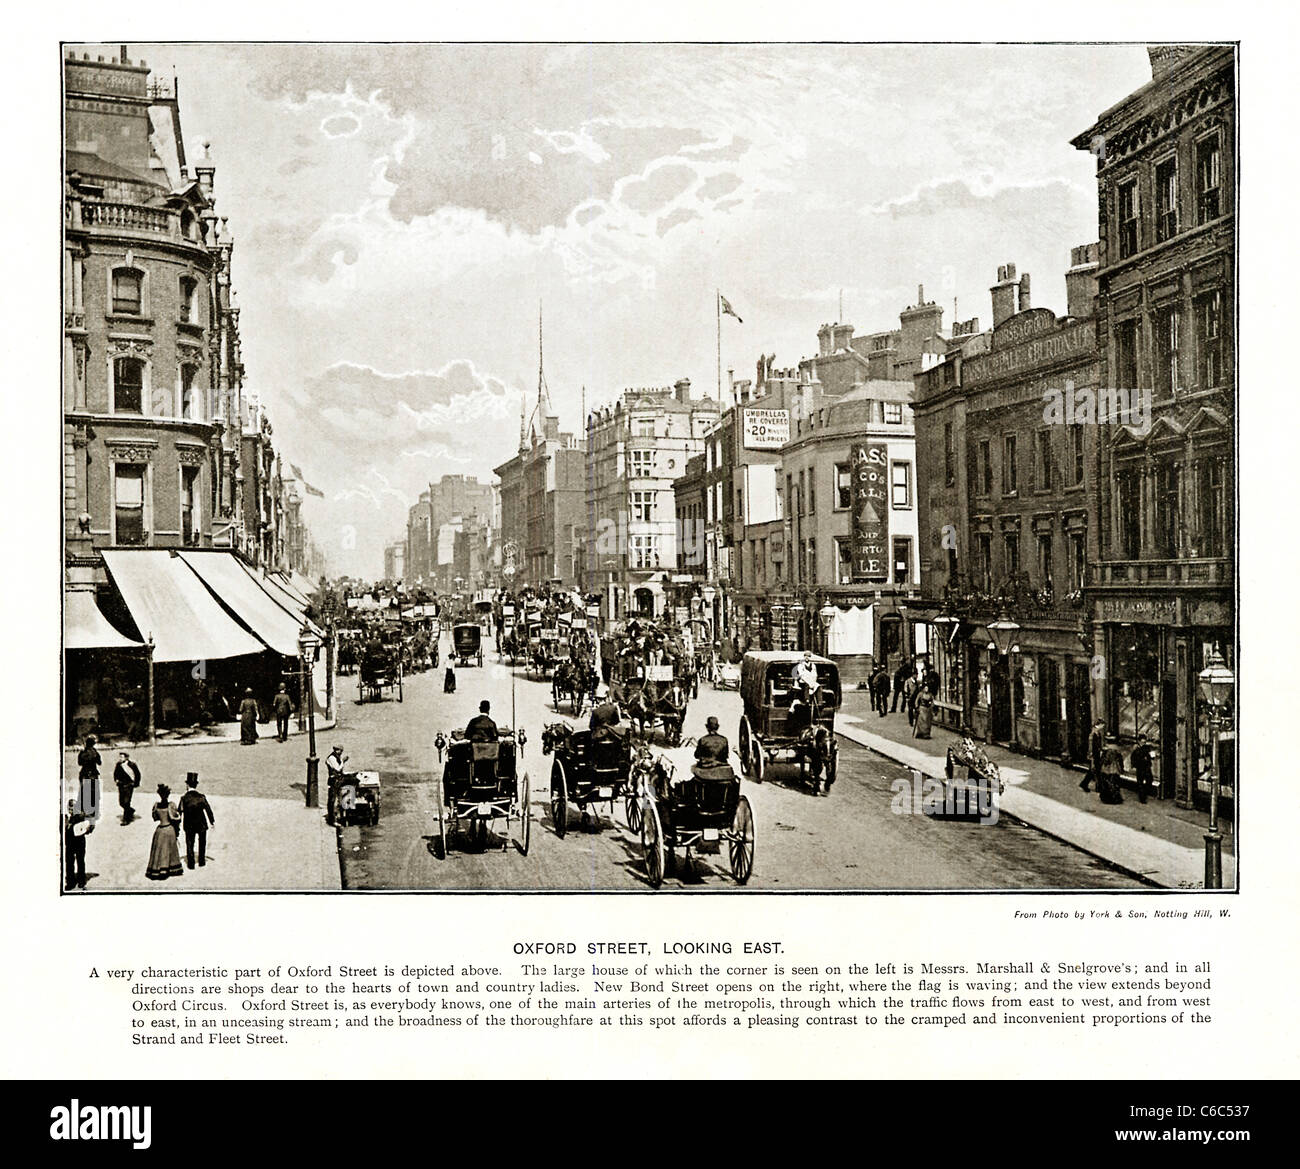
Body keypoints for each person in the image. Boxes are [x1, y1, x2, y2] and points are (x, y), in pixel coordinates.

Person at [145, 784, 184, 881]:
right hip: (169, 829)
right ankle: (170, 868)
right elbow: (176, 818)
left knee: (160, 850)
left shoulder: (156, 806)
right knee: (169, 850)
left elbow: (155, 818)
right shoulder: (171, 805)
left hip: (160, 830)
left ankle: (158, 868)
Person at [177, 772, 215, 869]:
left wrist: (177, 824)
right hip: (201, 823)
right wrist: (212, 821)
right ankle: (201, 861)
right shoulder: (201, 797)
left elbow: (179, 812)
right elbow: (208, 809)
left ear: (187, 785)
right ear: (196, 785)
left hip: (189, 825)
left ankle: (191, 864)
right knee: (202, 842)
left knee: (190, 843)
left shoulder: (184, 798)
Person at [64, 799, 92, 890]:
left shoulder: (81, 816)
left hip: (79, 842)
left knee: (80, 861)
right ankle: (70, 882)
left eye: (73, 808)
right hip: (69, 842)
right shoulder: (65, 817)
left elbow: (89, 826)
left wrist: (87, 829)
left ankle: (81, 881)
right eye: (70, 807)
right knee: (69, 862)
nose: (71, 810)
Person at [692, 716, 731, 780]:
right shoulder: (724, 740)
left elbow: (696, 755)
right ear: (717, 727)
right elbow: (726, 755)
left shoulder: (702, 740)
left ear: (707, 727)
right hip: (721, 766)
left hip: (705, 768)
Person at [76, 736, 101, 821]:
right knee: (94, 794)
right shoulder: (95, 752)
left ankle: (83, 811)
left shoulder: (83, 752)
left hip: (84, 774)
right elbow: (99, 762)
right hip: (93, 774)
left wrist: (83, 753)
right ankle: (94, 813)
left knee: (83, 793)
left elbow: (79, 763)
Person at [112, 751, 141, 824]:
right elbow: (115, 774)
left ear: (126, 757)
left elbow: (137, 774)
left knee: (126, 802)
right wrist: (116, 780)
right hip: (121, 785)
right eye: (120, 757)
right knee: (121, 802)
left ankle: (126, 820)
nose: (120, 758)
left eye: (122, 757)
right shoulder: (118, 765)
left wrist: (135, 783)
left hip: (129, 785)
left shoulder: (132, 765)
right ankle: (130, 811)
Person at [325, 745, 349, 826]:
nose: (340, 752)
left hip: (338, 780)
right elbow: (337, 768)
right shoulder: (331, 758)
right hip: (333, 781)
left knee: (340, 798)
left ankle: (339, 816)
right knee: (332, 800)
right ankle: (332, 820)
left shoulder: (337, 757)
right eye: (339, 751)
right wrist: (343, 761)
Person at [1081, 719, 1105, 792]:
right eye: (1102, 725)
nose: (1103, 727)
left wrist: (1101, 749)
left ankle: (1098, 787)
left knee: (1095, 770)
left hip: (1097, 754)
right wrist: (1091, 755)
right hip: (1094, 755)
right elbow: (1091, 746)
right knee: (1093, 770)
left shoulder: (1098, 733)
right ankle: (1085, 784)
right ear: (1098, 725)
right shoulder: (1092, 734)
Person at [1131, 734, 1156, 804]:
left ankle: (1144, 793)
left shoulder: (1147, 748)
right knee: (1140, 783)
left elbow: (1150, 756)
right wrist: (1134, 765)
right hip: (1140, 767)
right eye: (1142, 742)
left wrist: (1151, 756)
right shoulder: (1136, 749)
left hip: (1147, 767)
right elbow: (1133, 758)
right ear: (1139, 741)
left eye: (1144, 742)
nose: (1143, 743)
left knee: (1149, 780)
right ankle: (1142, 798)